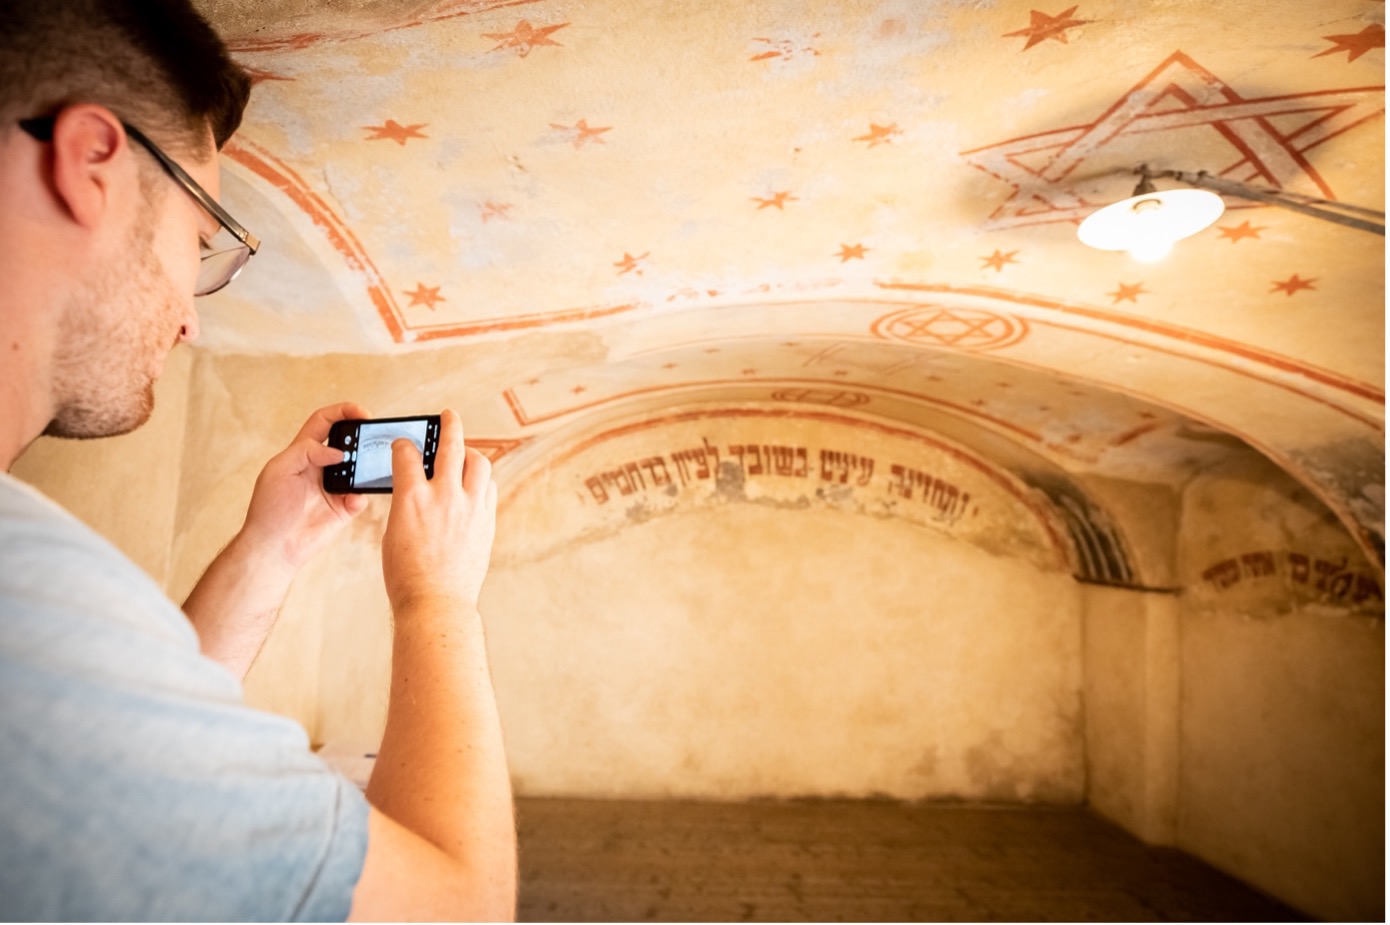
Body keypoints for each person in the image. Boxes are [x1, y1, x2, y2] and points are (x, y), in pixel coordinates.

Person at [0, 0, 516, 919]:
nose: (191, 319)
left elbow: (136, 749)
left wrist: (272, 545)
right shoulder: (24, 597)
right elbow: (457, 907)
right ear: (90, 163)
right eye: (201, 243)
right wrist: (437, 599)